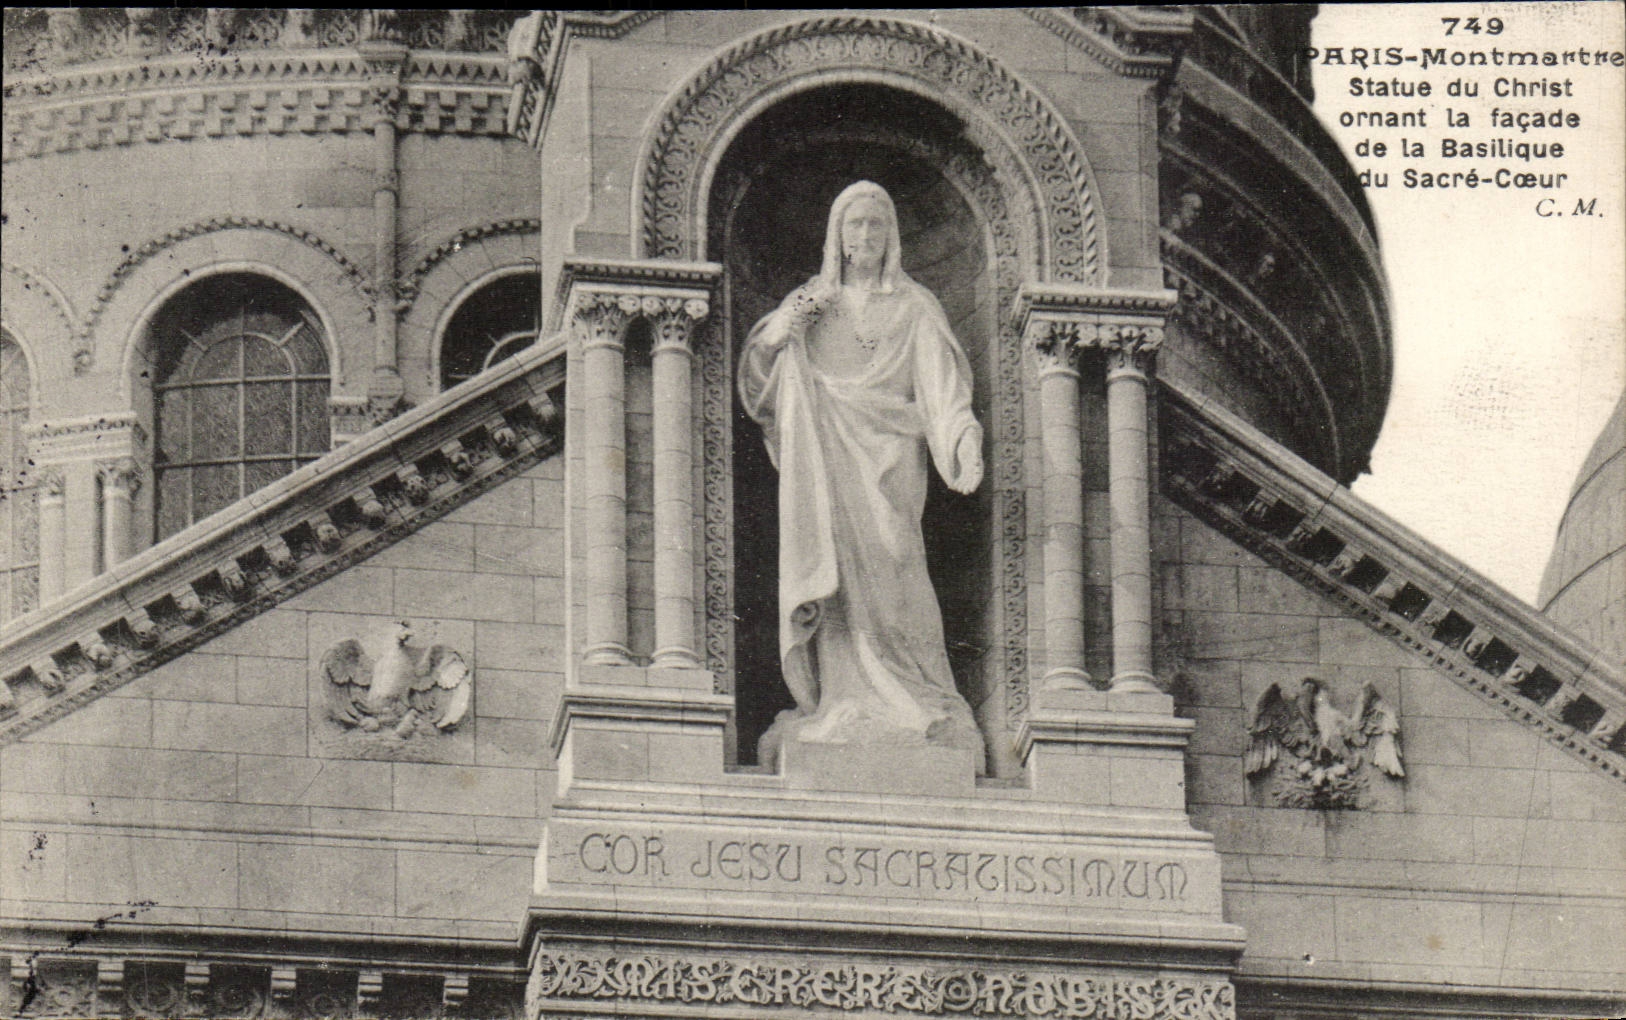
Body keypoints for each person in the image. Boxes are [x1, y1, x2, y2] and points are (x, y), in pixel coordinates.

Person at [738, 181, 986, 771]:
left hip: (893, 461)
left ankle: (914, 695)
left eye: (877, 225)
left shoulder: (914, 307)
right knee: (838, 583)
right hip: (826, 459)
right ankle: (843, 699)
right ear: (839, 238)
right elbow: (761, 369)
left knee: (899, 564)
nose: (867, 237)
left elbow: (943, 395)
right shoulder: (814, 301)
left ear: (891, 235)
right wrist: (793, 319)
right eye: (856, 227)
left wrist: (963, 442)